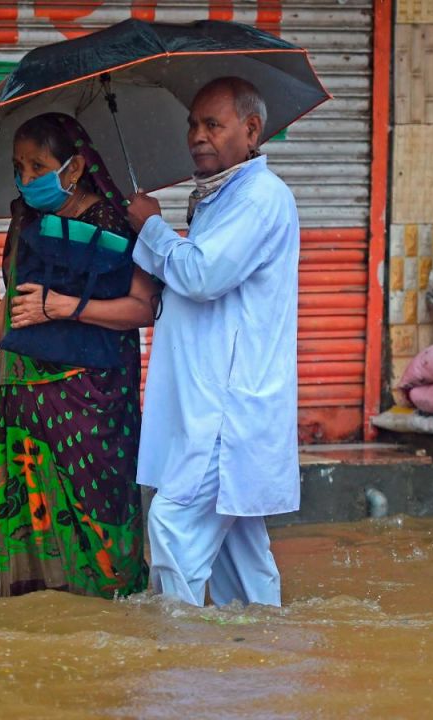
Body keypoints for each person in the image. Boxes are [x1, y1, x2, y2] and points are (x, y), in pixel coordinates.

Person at [0, 112, 160, 600]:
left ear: (74, 167)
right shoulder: (26, 217)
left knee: (95, 521)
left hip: (91, 403)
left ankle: (98, 610)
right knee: (17, 511)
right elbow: (15, 298)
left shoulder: (117, 222)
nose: (26, 179)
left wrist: (64, 307)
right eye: (18, 167)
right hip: (22, 402)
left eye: (37, 167)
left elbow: (143, 307)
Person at [125, 77, 300, 607]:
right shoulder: (222, 198)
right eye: (193, 124)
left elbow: (201, 275)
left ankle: (173, 664)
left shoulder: (260, 198)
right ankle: (259, 672)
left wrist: (151, 228)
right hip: (212, 406)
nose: (196, 136)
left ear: (251, 130)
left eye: (212, 124)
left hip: (226, 412)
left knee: (174, 523)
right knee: (241, 568)